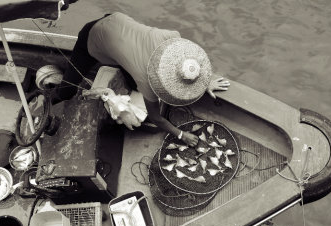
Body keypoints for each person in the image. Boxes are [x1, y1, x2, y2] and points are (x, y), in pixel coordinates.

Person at [55, 12, 230, 146]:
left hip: (116, 20)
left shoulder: (172, 38)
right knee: (66, 91)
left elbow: (191, 60)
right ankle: (48, 93)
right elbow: (156, 118)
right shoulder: (146, 79)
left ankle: (118, 59)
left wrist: (205, 81)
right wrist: (181, 135)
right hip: (91, 37)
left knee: (132, 81)